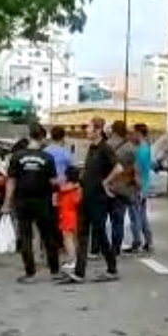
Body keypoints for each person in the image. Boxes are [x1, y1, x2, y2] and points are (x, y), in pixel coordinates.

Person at [61, 117, 123, 284]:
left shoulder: (105, 148)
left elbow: (118, 168)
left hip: (97, 198)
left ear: (98, 130)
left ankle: (112, 268)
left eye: (89, 128)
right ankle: (79, 272)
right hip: (86, 198)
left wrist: (106, 182)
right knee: (82, 235)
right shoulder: (92, 148)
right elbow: (89, 171)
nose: (86, 131)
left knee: (100, 234)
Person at [2, 123, 60, 284]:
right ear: (43, 138)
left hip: (22, 200)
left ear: (29, 136)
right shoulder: (47, 157)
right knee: (48, 236)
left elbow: (11, 181)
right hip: (42, 201)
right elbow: (53, 181)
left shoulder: (17, 156)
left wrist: (7, 203)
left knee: (25, 237)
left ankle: (30, 273)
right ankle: (54, 270)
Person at [107, 120, 137, 255]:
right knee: (118, 219)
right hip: (123, 186)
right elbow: (135, 169)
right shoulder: (131, 148)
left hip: (107, 185)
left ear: (113, 130)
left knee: (102, 218)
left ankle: (98, 247)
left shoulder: (106, 146)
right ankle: (116, 247)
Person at [134, 123, 154, 254]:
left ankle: (141, 241)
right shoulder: (147, 148)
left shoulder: (141, 150)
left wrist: (138, 186)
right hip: (145, 185)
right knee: (142, 214)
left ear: (139, 133)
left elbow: (137, 170)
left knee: (138, 215)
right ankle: (148, 241)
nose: (133, 135)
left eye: (134, 133)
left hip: (139, 185)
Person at [56, 169, 82, 271]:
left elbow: (59, 195)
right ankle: (75, 258)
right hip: (75, 214)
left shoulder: (64, 188)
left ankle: (72, 260)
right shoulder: (79, 188)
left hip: (66, 215)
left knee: (67, 239)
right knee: (74, 239)